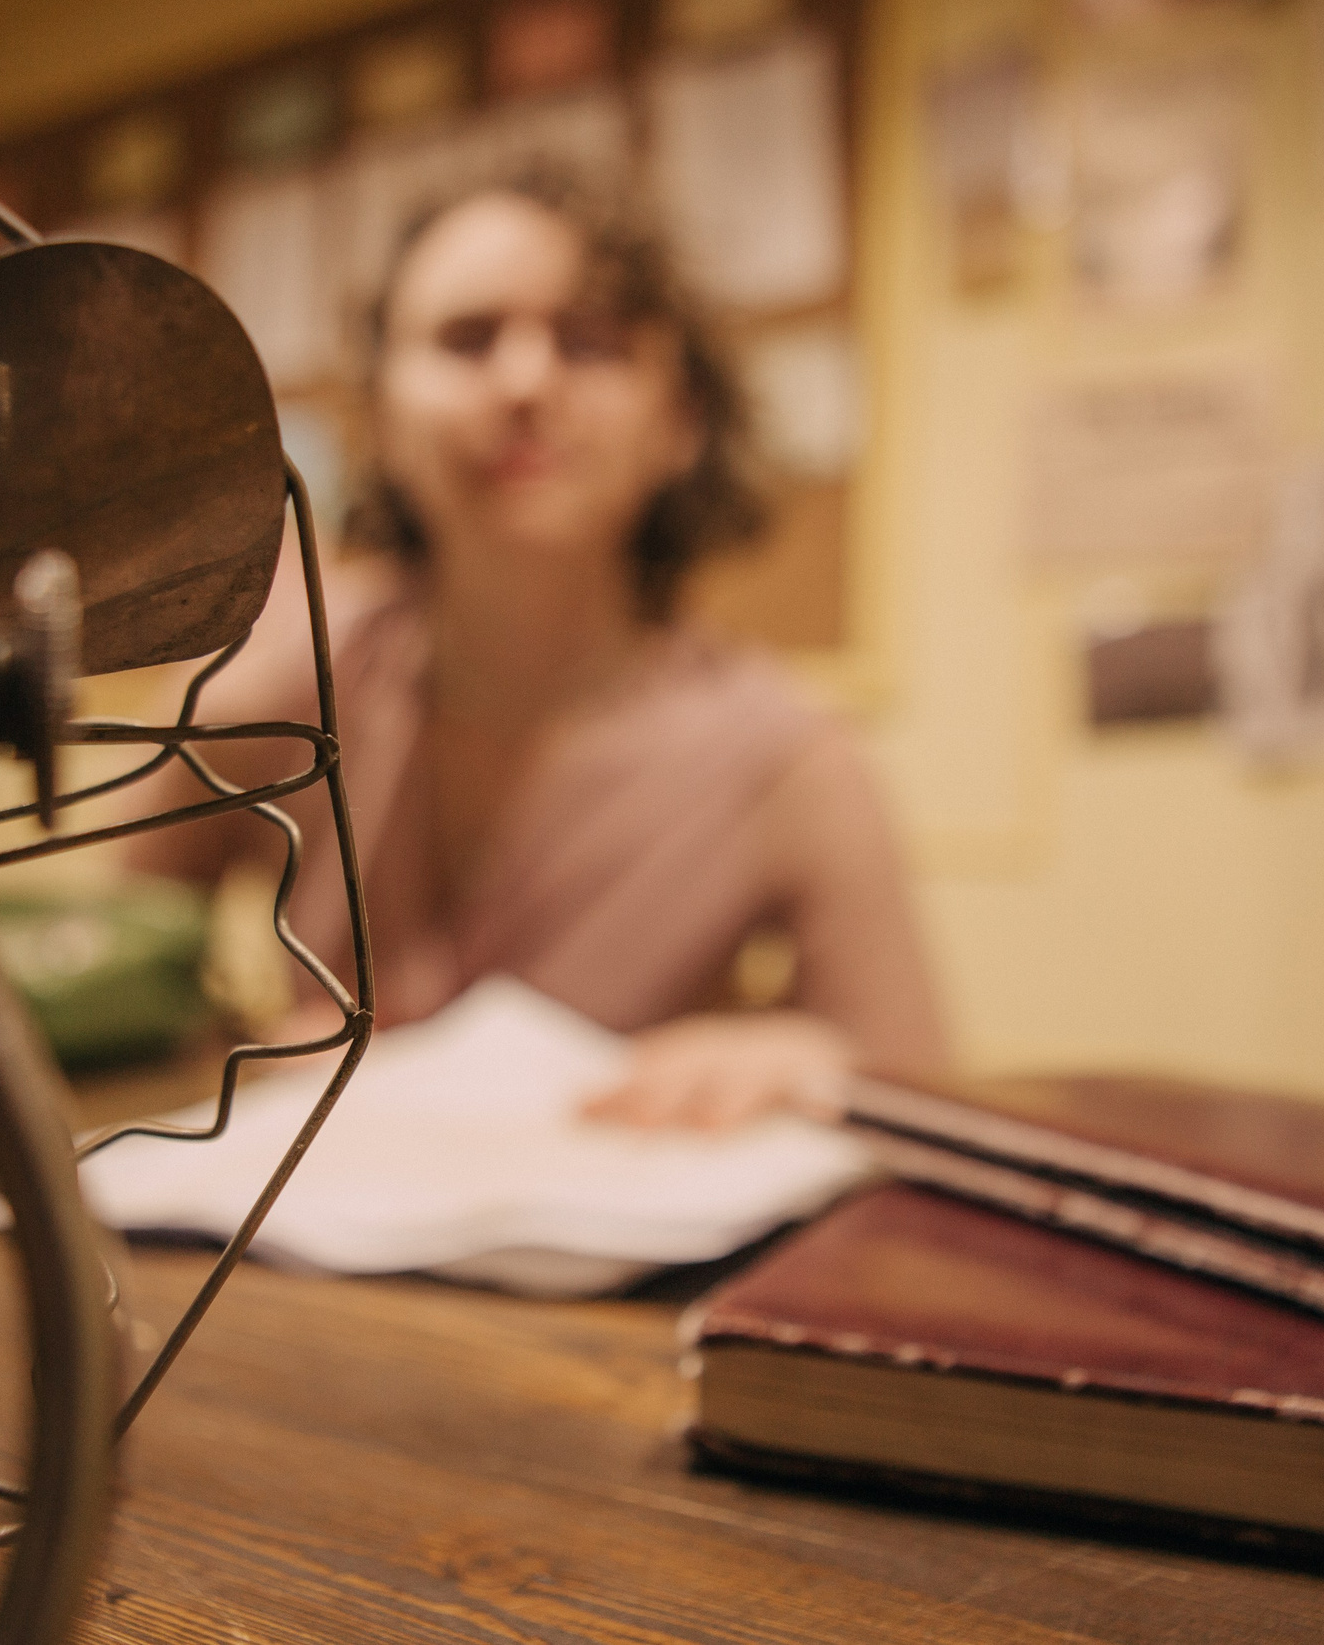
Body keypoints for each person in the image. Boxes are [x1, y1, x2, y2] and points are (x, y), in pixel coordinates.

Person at [120, 169, 945, 1128]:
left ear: (680, 423)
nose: (524, 382)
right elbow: (105, 967)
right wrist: (234, 1055)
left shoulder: (790, 762)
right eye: (466, 339)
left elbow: (926, 1091)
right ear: (381, 415)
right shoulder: (281, 673)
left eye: (589, 341)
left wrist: (812, 1060)